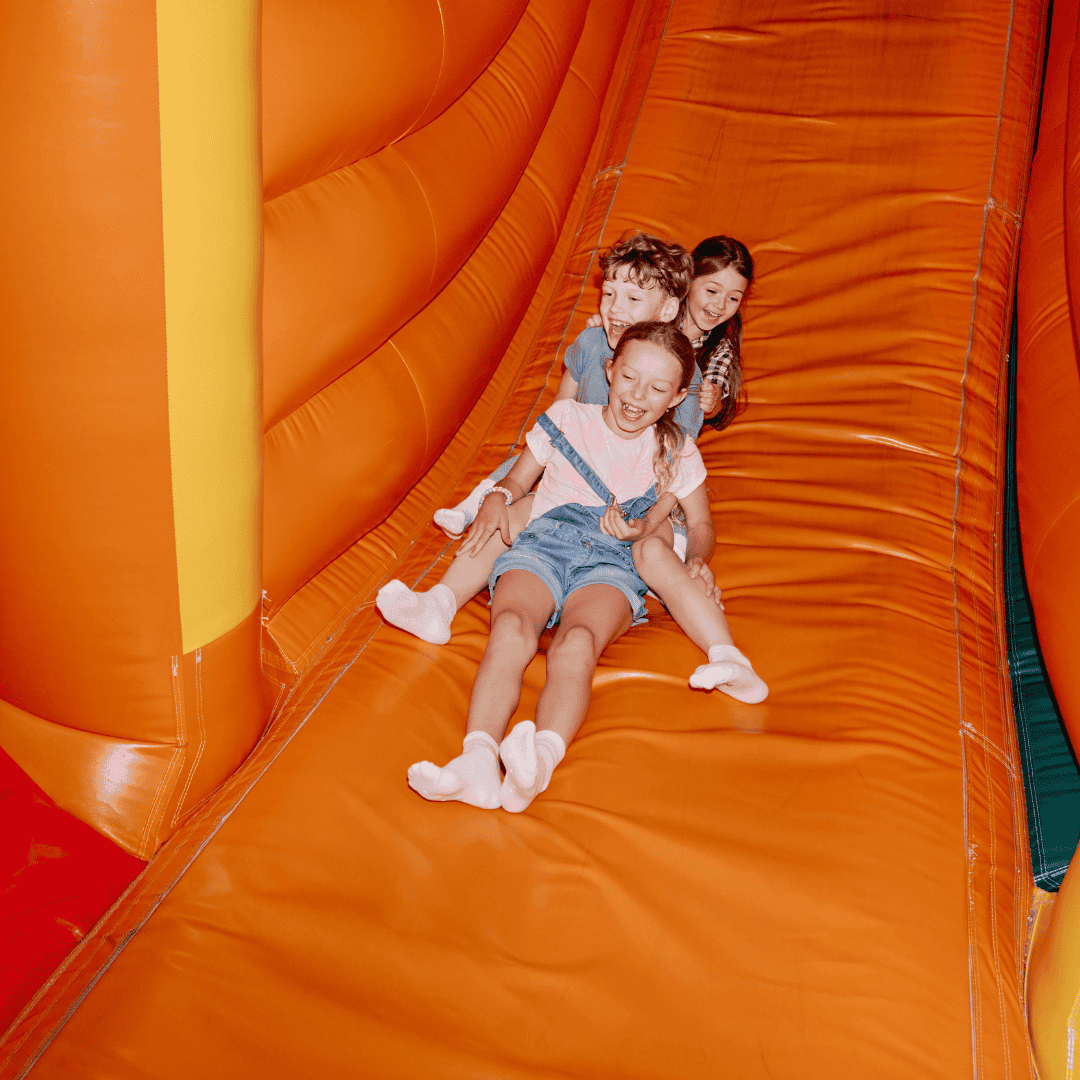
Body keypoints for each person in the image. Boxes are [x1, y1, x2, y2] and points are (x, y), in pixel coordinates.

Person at [405, 322, 767, 812]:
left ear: (678, 397)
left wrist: (698, 559)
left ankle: (539, 763)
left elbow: (701, 523)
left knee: (577, 643)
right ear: (609, 370)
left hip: (612, 565)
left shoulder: (675, 450)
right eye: (629, 378)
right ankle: (476, 761)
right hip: (545, 545)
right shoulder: (567, 419)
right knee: (511, 626)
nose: (638, 396)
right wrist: (496, 497)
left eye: (659, 389)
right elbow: (517, 480)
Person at [376, 233, 754, 646]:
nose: (614, 309)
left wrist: (658, 532)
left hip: (637, 504)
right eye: (609, 295)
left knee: (543, 512)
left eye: (630, 300)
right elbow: (564, 411)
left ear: (667, 311)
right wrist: (507, 487)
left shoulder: (684, 381)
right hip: (576, 491)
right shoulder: (595, 344)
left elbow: (674, 467)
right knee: (514, 508)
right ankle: (441, 602)